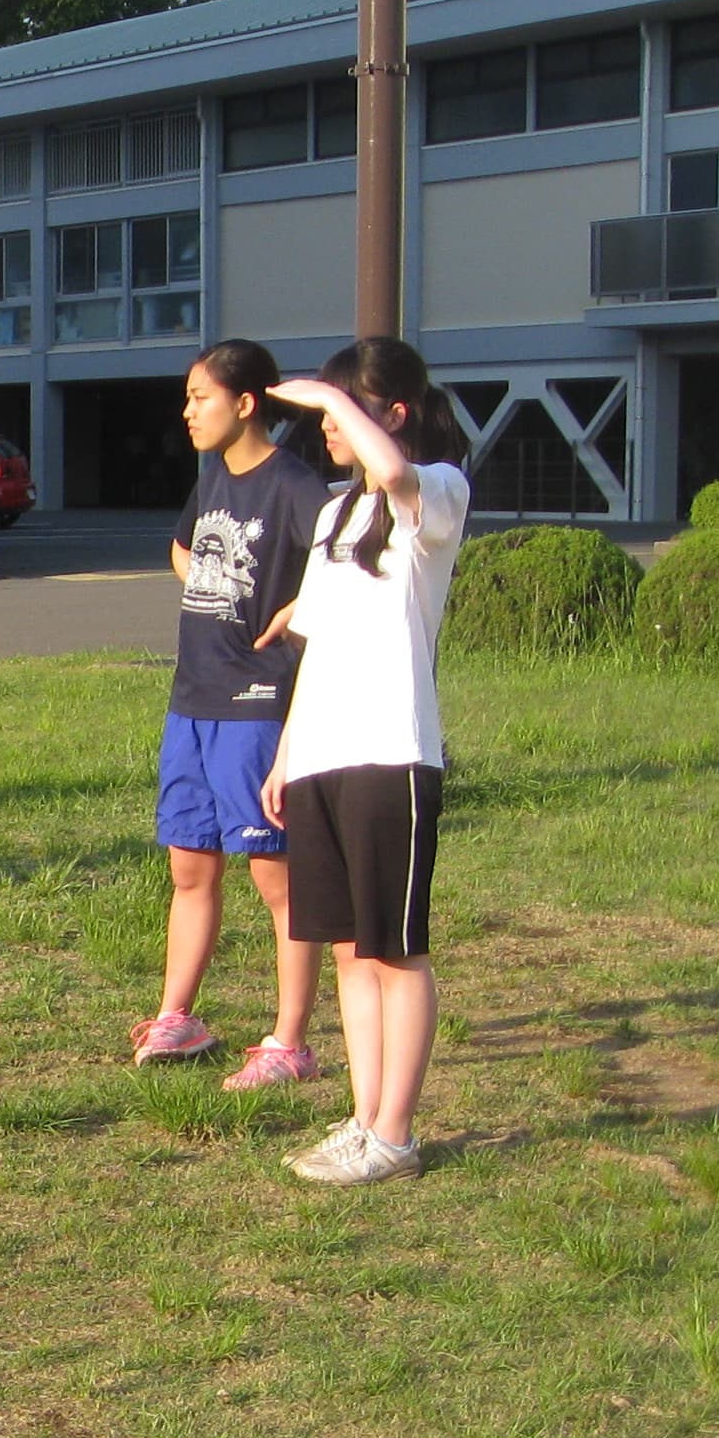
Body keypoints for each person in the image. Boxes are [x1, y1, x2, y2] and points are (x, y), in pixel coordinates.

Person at [257, 339, 472, 1187]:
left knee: (395, 949)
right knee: (349, 947)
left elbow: (397, 474)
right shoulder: (334, 514)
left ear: (393, 412)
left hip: (392, 754)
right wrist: (286, 753)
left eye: (343, 410)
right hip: (323, 755)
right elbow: (319, 647)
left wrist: (329, 397)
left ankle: (397, 1133)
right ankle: (362, 1116)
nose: (326, 428)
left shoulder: (440, 488)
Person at [132, 340, 330, 1086]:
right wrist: (210, 577)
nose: (187, 411)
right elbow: (183, 548)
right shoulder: (213, 475)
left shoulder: (293, 484)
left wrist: (294, 609)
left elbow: (340, 568)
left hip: (258, 704)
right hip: (194, 699)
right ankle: (178, 1018)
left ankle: (290, 1043)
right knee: (190, 864)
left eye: (200, 397)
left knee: (275, 877)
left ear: (246, 403)